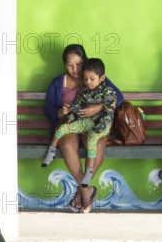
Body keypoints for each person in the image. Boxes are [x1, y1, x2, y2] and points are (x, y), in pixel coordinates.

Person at [44, 44, 123, 213]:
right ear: (65, 65)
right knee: (66, 145)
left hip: (93, 125)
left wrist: (99, 107)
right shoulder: (58, 83)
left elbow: (119, 97)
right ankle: (87, 192)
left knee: (98, 144)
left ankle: (81, 193)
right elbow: (48, 108)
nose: (75, 69)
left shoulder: (95, 75)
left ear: (85, 61)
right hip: (71, 124)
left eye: (79, 64)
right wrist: (60, 111)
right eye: (70, 65)